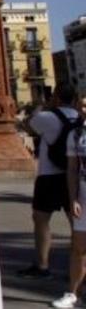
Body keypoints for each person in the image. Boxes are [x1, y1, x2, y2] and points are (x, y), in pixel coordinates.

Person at [21, 84, 82, 279]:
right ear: (75, 99)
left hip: (49, 175)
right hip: (75, 176)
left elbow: (27, 124)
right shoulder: (80, 118)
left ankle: (42, 266)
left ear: (55, 97)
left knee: (41, 220)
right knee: (76, 223)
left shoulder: (47, 117)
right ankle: (79, 267)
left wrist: (44, 105)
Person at [53, 117, 86, 308]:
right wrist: (73, 198)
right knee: (79, 247)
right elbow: (72, 169)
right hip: (84, 198)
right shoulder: (76, 135)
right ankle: (74, 294)